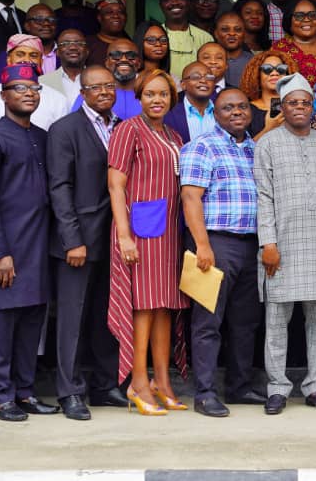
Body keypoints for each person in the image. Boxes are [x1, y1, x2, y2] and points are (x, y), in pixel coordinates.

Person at [0, 64, 58, 421]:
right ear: (3, 96)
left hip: (39, 246)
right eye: (20, 88)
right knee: (4, 326)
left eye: (34, 88)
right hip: (8, 248)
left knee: (32, 323)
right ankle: (0, 397)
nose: (29, 94)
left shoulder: (42, 136)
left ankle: (25, 392)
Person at [47, 65, 128, 421]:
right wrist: (72, 240)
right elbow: (59, 187)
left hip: (114, 239)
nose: (104, 92)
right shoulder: (65, 129)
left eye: (109, 86)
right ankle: (70, 391)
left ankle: (105, 385)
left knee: (105, 316)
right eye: (96, 87)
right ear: (82, 93)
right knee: (72, 319)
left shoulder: (122, 126)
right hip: (78, 241)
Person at [106, 69, 189, 417]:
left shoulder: (173, 134)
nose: (157, 100)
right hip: (139, 231)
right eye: (150, 94)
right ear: (139, 97)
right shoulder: (129, 129)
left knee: (165, 306)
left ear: (172, 99)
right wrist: (124, 235)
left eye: (163, 94)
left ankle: (162, 382)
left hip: (169, 231)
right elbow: (115, 185)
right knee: (143, 306)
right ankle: (138, 382)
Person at [253, 74, 316, 415]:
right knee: (276, 322)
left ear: (312, 106)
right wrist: (268, 243)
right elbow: (264, 196)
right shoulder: (267, 144)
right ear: (282, 107)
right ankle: (277, 387)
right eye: (292, 103)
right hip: (281, 246)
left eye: (305, 102)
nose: (299, 108)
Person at [181, 88, 266, 417]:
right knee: (208, 321)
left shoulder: (255, 149)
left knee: (245, 321)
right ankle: (204, 393)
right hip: (215, 243)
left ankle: (240, 386)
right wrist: (202, 245)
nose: (237, 112)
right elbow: (191, 198)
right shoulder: (202, 146)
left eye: (242, 107)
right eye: (228, 108)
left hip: (250, 243)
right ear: (216, 114)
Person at [0, 35, 69, 130]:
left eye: (33, 56)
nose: (27, 60)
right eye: (20, 54)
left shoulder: (57, 99)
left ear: (41, 62)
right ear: (8, 60)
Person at [154, 0, 214, 77]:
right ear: (160, 5)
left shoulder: (205, 38)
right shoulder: (155, 36)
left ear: (187, 2)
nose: (174, 3)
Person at [270, 0, 316, 88]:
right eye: (299, 16)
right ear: (289, 20)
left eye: (312, 15)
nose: (307, 19)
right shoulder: (279, 49)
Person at [240, 50, 297, 141]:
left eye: (281, 69)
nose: (274, 73)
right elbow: (242, 148)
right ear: (257, 74)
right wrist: (269, 128)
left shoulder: (298, 106)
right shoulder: (246, 110)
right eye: (267, 69)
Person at [0, 2, 57, 81]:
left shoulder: (64, 54)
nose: (46, 23)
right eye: (39, 20)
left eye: (51, 20)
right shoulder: (7, 56)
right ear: (27, 25)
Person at [163, 61, 219, 144]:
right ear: (183, 85)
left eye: (209, 77)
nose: (203, 80)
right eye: (196, 77)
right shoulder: (169, 112)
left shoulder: (223, 109)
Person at [40, 28, 88, 108]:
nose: (73, 47)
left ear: (87, 51)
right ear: (57, 52)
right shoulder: (43, 82)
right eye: (65, 43)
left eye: (79, 43)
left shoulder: (101, 80)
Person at [86, 0, 130, 70]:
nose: (116, 16)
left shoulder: (131, 45)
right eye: (109, 12)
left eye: (120, 12)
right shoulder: (87, 45)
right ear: (99, 17)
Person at [214, 12, 253, 88]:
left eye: (237, 30)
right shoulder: (208, 61)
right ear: (216, 34)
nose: (232, 33)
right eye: (225, 29)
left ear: (244, 34)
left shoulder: (254, 62)